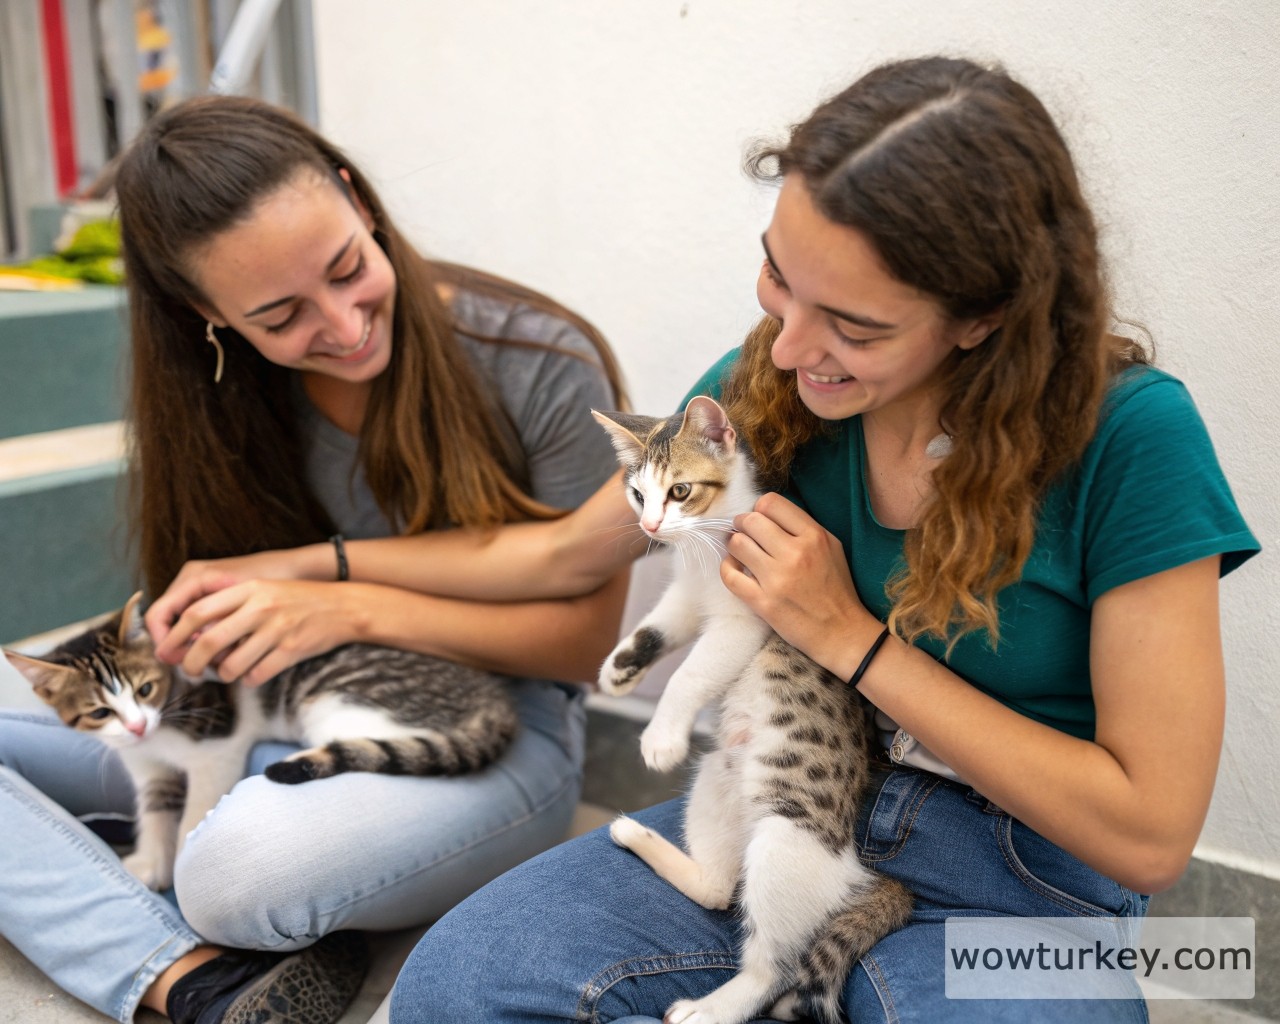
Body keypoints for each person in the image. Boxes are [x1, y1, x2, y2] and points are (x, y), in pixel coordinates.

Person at [374, 56, 1259, 1022]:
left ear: (983, 319)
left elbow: (1148, 840)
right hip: (786, 808)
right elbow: (559, 554)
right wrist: (318, 576)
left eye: (852, 324)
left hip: (1027, 886)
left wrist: (847, 635)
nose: (790, 345)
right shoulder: (776, 381)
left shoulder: (1134, 437)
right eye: (777, 275)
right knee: (456, 989)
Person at [0, 94, 630, 1024]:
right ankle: (187, 976)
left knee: (234, 875)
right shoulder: (211, 397)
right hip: (256, 713)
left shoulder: (534, 360)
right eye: (281, 313)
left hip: (489, 731)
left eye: (347, 269)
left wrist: (343, 597)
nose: (341, 326)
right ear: (201, 311)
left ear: (357, 198)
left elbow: (585, 649)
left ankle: (173, 867)